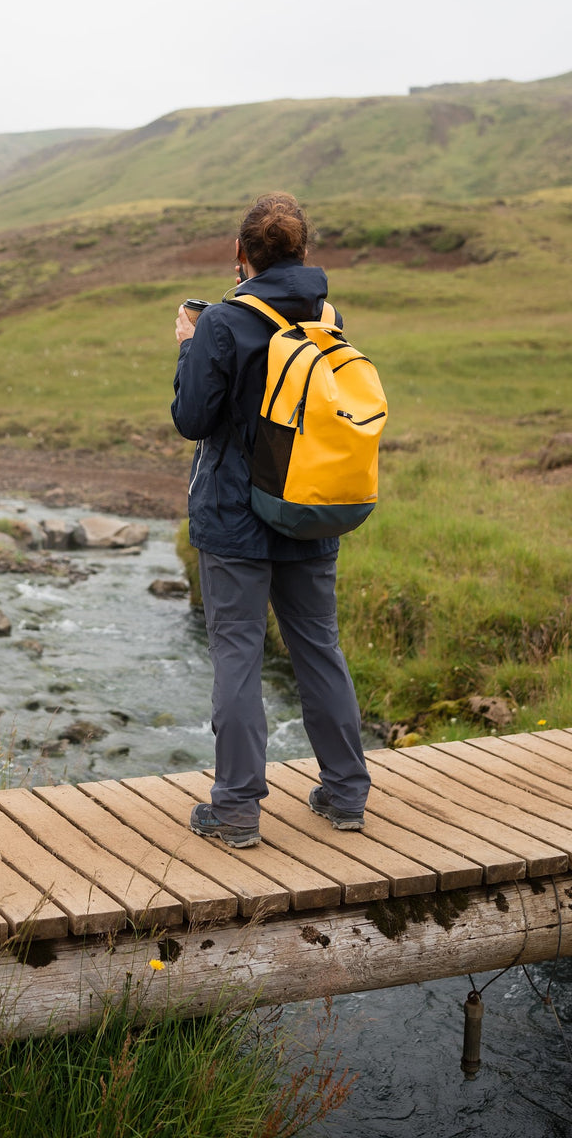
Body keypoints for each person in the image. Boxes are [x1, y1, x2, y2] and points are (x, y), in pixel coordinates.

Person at [171, 192, 370, 848]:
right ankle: (345, 793)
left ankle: (235, 810)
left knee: (237, 653)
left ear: (241, 253)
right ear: (303, 252)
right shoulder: (328, 314)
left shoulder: (223, 323)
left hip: (233, 518)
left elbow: (192, 420)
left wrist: (189, 347)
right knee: (318, 647)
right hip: (309, 508)